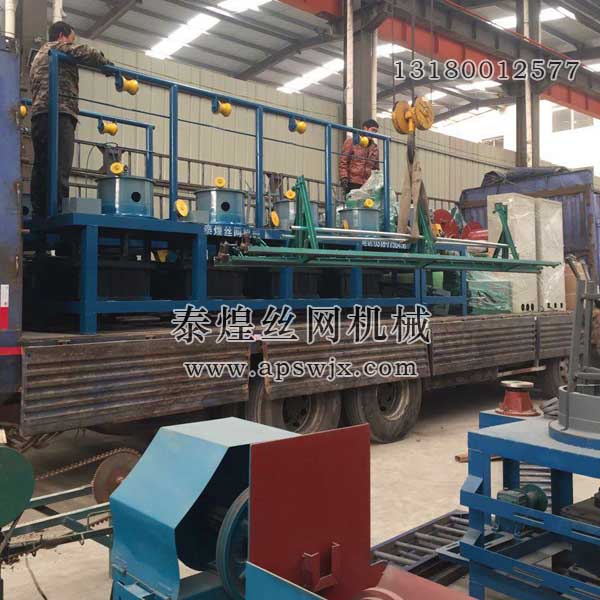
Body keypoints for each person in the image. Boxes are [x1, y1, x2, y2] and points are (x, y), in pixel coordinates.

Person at [29, 21, 112, 217]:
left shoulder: (38, 56)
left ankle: (39, 212)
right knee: (60, 166)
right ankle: (58, 211)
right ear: (61, 36)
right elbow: (87, 52)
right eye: (71, 39)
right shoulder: (56, 48)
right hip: (59, 114)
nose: (71, 44)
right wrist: (107, 65)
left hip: (39, 116)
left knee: (41, 166)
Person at [338, 118, 380, 196]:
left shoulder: (374, 148)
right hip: (352, 182)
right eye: (373, 130)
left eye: (375, 131)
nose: (374, 133)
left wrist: (376, 182)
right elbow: (343, 161)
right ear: (365, 128)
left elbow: (376, 168)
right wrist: (344, 177)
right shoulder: (352, 142)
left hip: (368, 185)